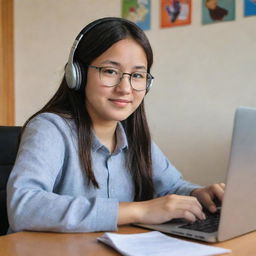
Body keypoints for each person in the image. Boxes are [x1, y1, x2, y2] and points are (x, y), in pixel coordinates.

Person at [7, 17, 225, 233]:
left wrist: (198, 194)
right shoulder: (50, 128)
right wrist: (139, 211)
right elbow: (24, 206)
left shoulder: (133, 135)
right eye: (110, 71)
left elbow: (171, 187)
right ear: (77, 74)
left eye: (138, 75)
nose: (125, 88)